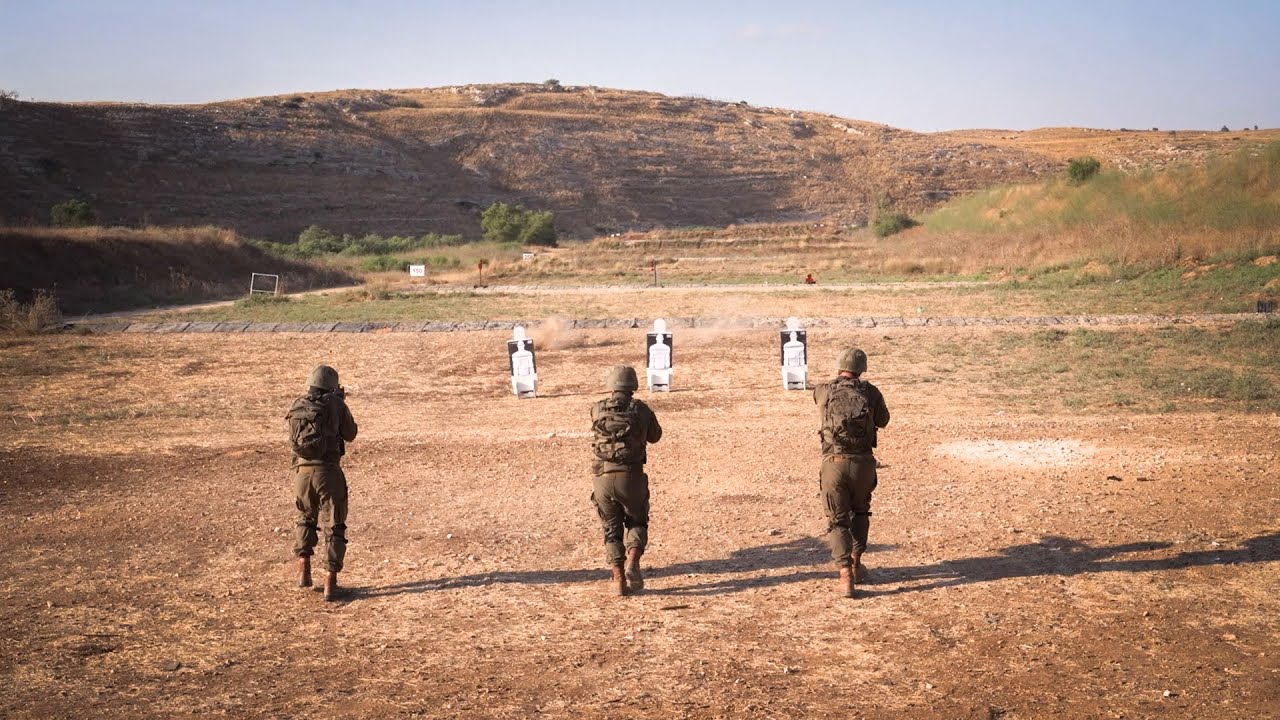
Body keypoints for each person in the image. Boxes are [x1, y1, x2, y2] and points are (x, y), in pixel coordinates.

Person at [813, 348, 889, 598]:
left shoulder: (825, 390)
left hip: (834, 463)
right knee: (860, 512)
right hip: (863, 464)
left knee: (837, 521)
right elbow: (884, 420)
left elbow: (818, 401)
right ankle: (856, 563)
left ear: (839, 366)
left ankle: (845, 576)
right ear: (862, 368)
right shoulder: (871, 392)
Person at [285, 365, 358, 601]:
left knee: (305, 518)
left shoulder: (298, 405)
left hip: (301, 474)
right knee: (334, 524)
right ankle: (330, 582)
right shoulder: (335, 405)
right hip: (328, 473)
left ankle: (303, 571)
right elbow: (350, 433)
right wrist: (339, 405)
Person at [590, 365, 663, 596]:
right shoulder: (641, 410)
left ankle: (619, 579)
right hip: (631, 476)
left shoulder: (597, 408)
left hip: (602, 477)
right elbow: (655, 436)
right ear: (633, 386)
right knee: (637, 521)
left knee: (611, 529)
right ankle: (633, 560)